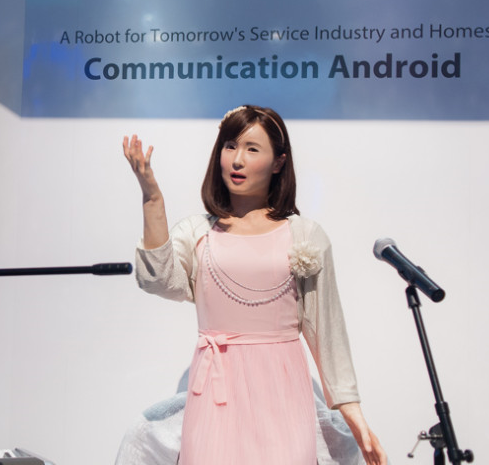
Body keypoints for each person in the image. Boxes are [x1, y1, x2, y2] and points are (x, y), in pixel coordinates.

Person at [122, 105, 386, 465]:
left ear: (278, 162)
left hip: (284, 398)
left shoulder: (304, 235)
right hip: (214, 397)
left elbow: (327, 331)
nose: (237, 160)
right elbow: (157, 280)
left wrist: (353, 413)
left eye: (252, 149)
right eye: (230, 146)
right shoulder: (198, 232)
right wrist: (152, 199)